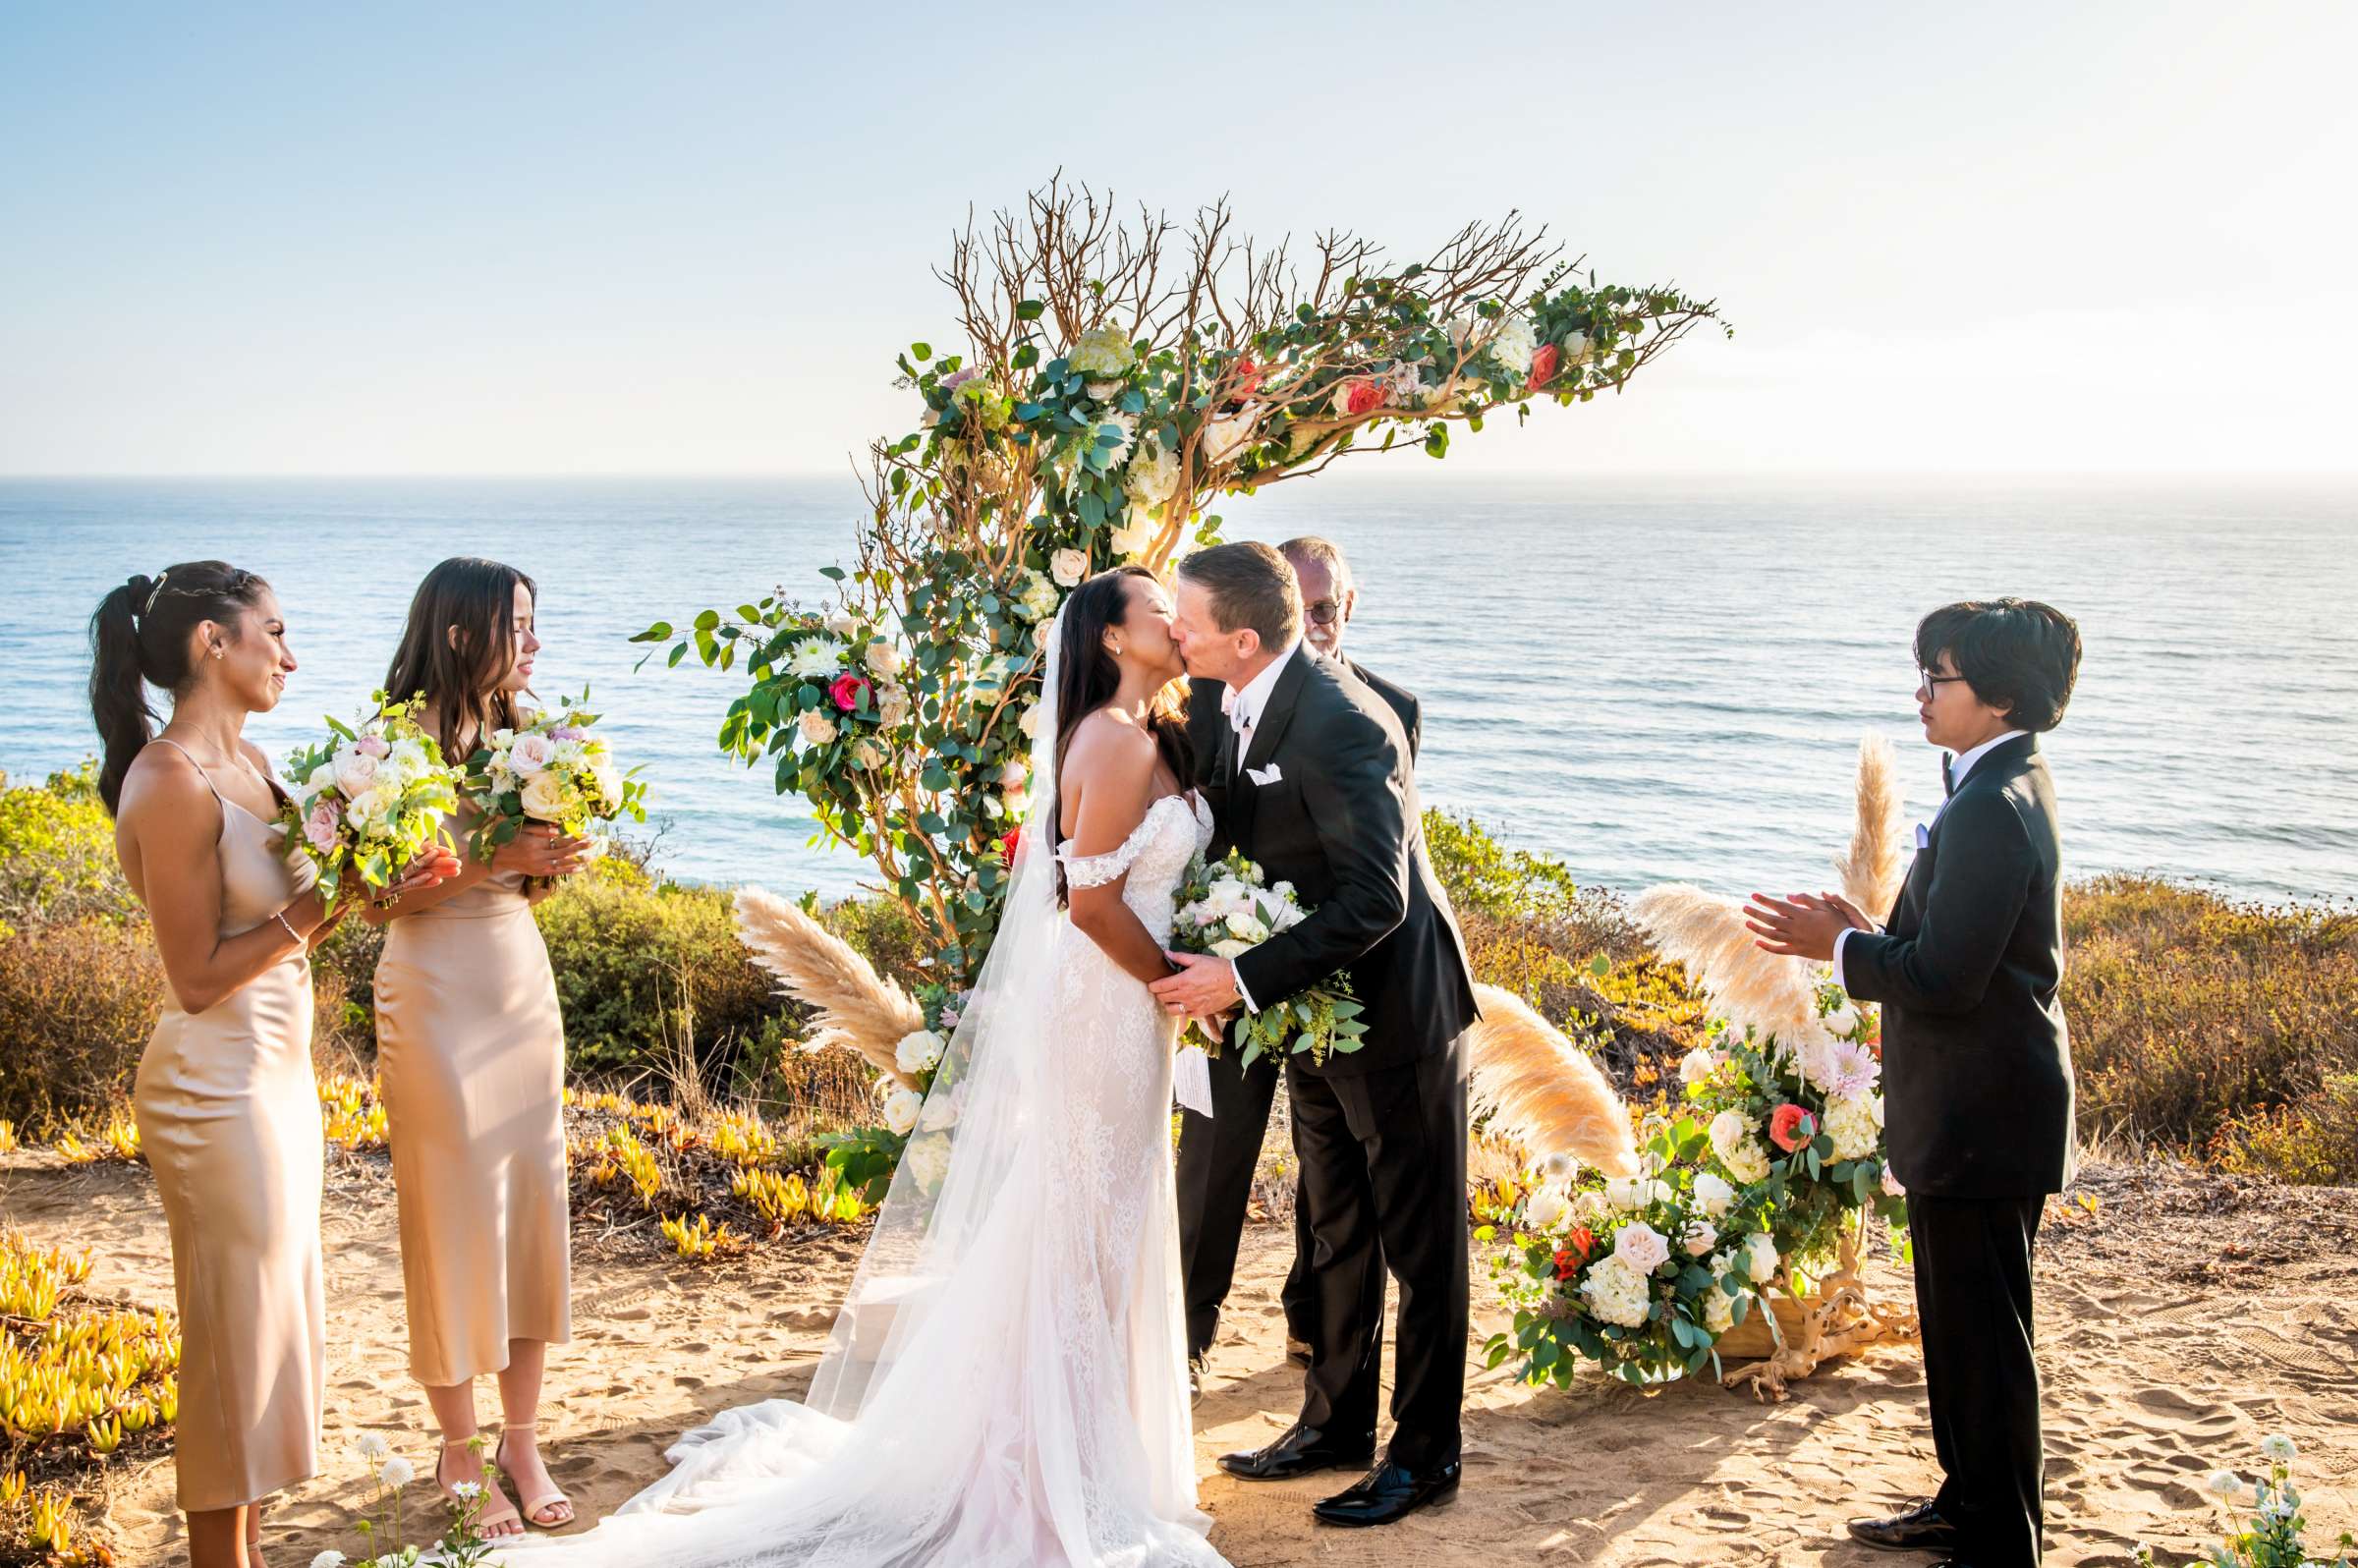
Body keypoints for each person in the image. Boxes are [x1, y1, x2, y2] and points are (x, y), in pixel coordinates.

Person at [503, 567, 1231, 1568]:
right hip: (1105, 1001)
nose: (1175, 620)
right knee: (1079, 1224)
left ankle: (1085, 1449)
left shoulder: (1155, 733)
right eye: (1156, 608)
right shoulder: (1108, 739)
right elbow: (1094, 902)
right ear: (1111, 638)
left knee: (1102, 1223)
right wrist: (1176, 986)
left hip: (1129, 1004)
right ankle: (1042, 1466)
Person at [90, 563, 450, 1568]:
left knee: (271, 1329)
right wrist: (322, 907)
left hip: (278, 1080)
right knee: (231, 1344)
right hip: (212, 1085)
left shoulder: (258, 765)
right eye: (275, 632)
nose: (290, 654)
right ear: (214, 643)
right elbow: (197, 977)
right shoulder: (168, 781)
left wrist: (388, 882)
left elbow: (315, 915)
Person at [1745, 598, 2082, 1568]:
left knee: (1986, 1340)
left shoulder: (1992, 804)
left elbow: (1948, 978)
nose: (1921, 694)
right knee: (1963, 1333)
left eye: (1939, 677)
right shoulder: (1991, 782)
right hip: (1971, 1107)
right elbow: (1943, 948)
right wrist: (1869, 930)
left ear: (2002, 695)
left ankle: (1998, 1538)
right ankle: (1967, 1504)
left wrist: (1841, 946)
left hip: (1987, 1113)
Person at [1152, 541, 1478, 1530]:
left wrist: (1241, 975)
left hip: (1398, 1019)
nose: (1175, 631)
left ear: (1240, 640)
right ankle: (1334, 1425)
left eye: (1188, 620)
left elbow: (1377, 898)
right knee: (1337, 1230)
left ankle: (1425, 1458)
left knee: (1424, 1254)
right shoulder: (1230, 699)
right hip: (1313, 1021)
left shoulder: (1341, 724)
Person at [364, 558, 589, 1538]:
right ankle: (458, 1444)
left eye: (537, 623)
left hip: (516, 981)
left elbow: (524, 878)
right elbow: (371, 897)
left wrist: (548, 864)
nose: (533, 641)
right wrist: (496, 858)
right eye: (518, 623)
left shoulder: (526, 736)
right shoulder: (390, 744)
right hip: (433, 990)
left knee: (532, 1209)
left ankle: (523, 1438)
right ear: (460, 633)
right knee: (450, 1216)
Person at [1175, 535, 1422, 1381]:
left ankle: (1310, 1318)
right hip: (1226, 969)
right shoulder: (1208, 696)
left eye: (1327, 607)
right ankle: (1189, 1331)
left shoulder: (1388, 707)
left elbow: (1380, 868)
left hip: (1332, 978)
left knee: (1331, 1174)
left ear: (1347, 605)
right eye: (1302, 608)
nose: (1315, 622)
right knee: (1214, 1151)